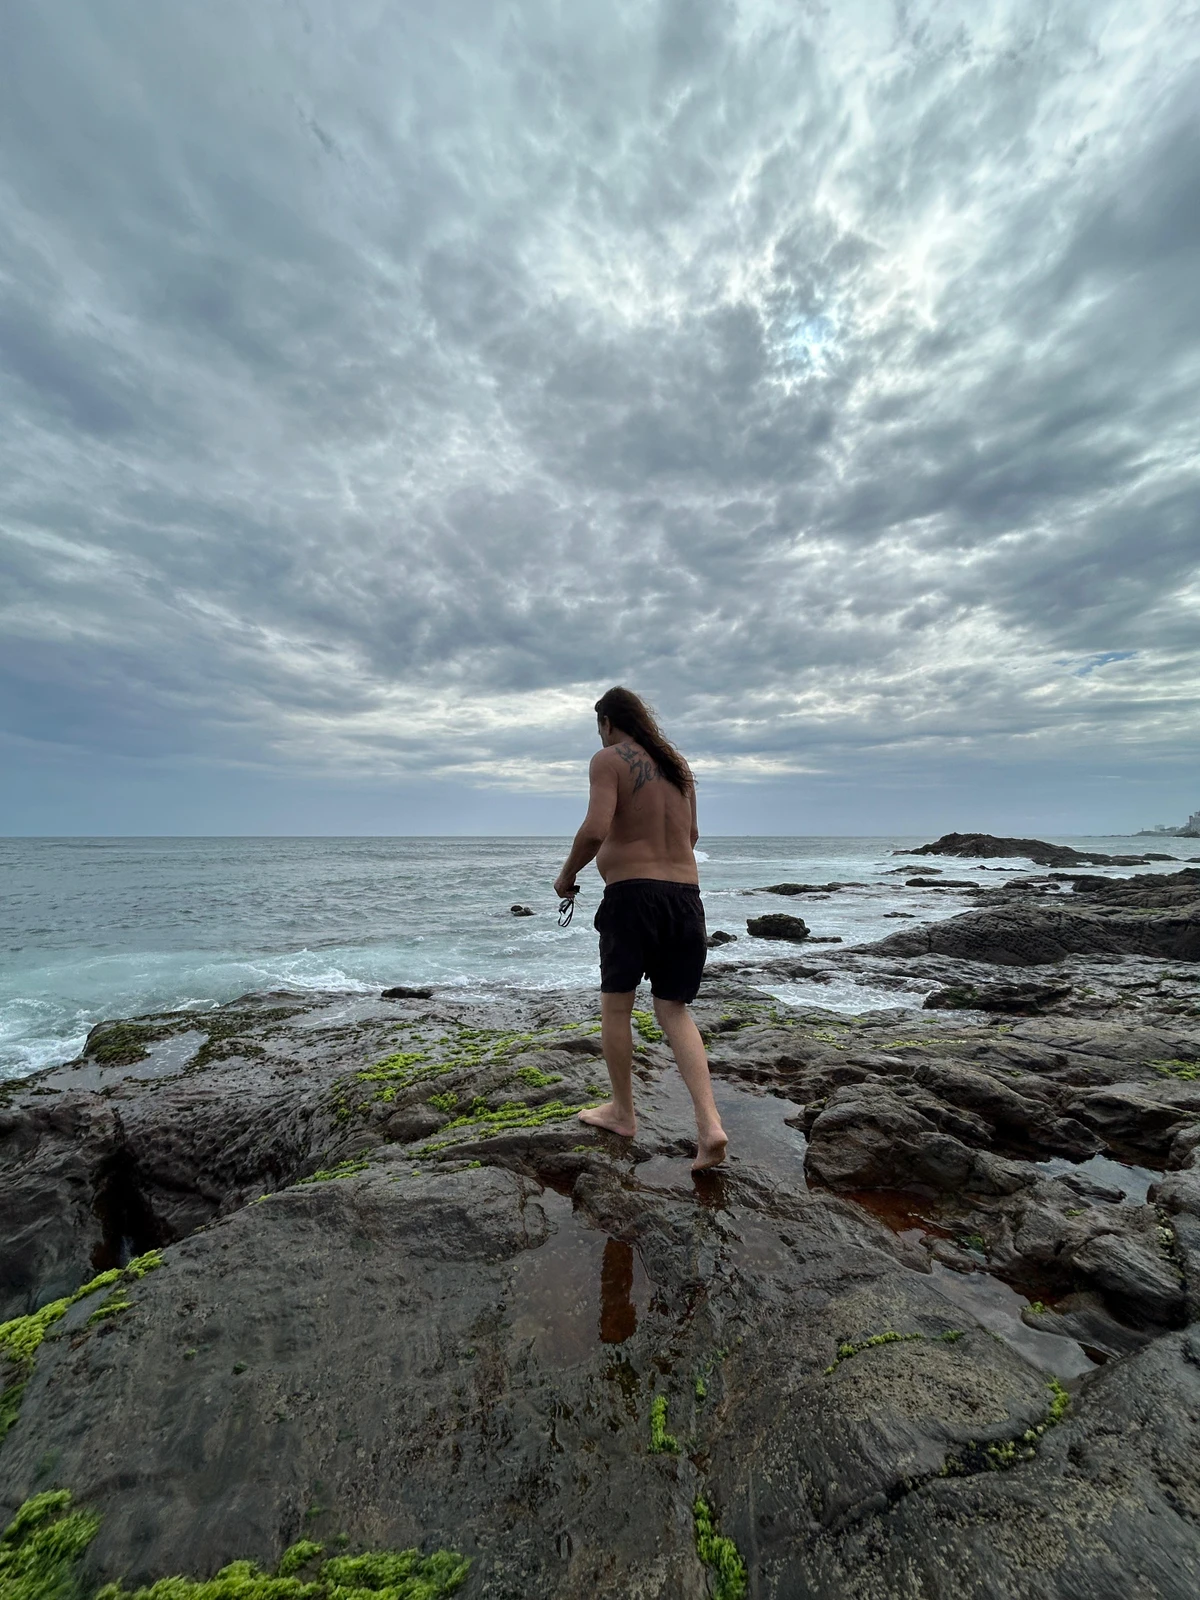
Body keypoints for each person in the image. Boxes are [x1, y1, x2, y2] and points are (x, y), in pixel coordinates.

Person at [553, 687, 728, 1171]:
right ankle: (710, 1125)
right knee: (674, 1009)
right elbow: (690, 836)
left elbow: (594, 827)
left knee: (617, 1006)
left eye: (599, 728)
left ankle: (623, 1113)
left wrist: (567, 876)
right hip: (685, 900)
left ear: (608, 722)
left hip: (633, 899)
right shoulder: (678, 767)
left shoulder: (609, 759)